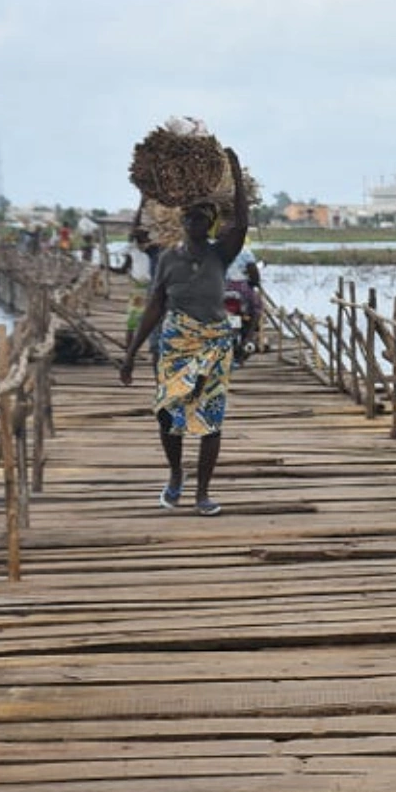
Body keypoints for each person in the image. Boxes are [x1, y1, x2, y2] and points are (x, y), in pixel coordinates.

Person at [119, 147, 249, 517]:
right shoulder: (169, 259)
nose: (194, 222)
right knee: (166, 414)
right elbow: (154, 306)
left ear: (210, 225)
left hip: (214, 342)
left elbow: (241, 223)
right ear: (182, 221)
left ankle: (202, 493)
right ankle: (176, 474)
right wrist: (130, 355)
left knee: (211, 420)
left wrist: (236, 175)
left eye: (201, 218)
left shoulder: (220, 254)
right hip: (176, 342)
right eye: (189, 216)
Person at [117, 225, 161, 357]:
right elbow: (123, 268)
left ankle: (151, 348)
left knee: (152, 319)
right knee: (133, 321)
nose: (145, 242)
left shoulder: (154, 250)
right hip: (140, 289)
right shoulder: (132, 251)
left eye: (146, 239)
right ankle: (130, 352)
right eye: (142, 239)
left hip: (152, 288)